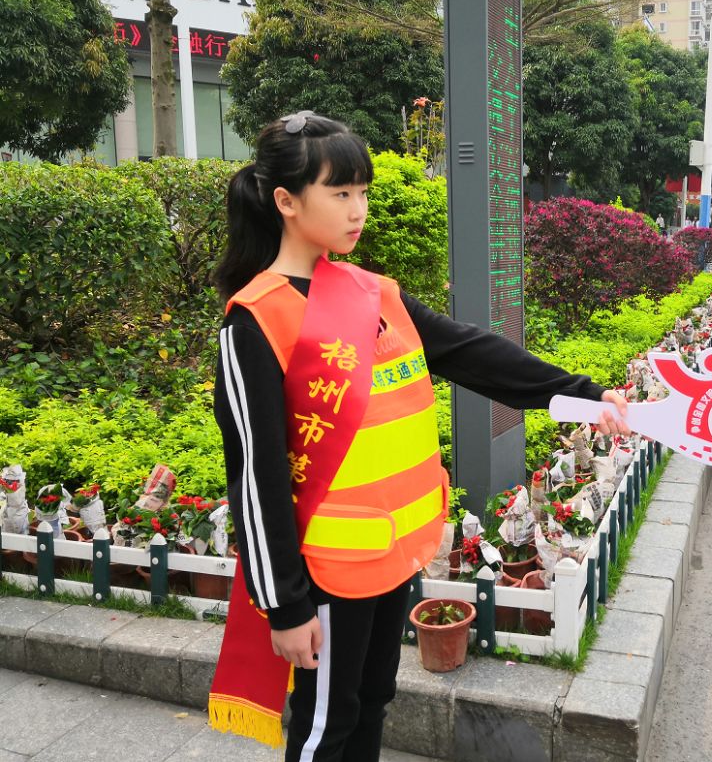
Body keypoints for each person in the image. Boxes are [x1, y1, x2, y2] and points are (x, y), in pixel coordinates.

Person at [207, 112, 631, 761]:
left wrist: (582, 394)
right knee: (326, 725)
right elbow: (256, 475)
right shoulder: (256, 321)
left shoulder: (372, 293)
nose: (359, 209)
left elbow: (471, 353)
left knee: (373, 700)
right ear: (287, 202)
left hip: (394, 553)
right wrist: (284, 604)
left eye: (364, 192)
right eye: (341, 193)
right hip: (326, 573)